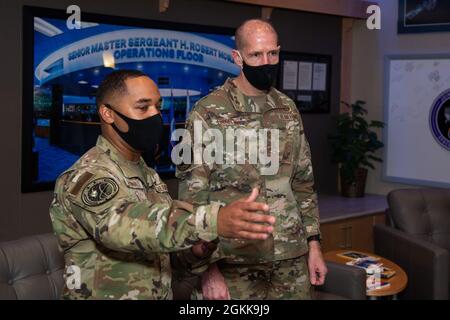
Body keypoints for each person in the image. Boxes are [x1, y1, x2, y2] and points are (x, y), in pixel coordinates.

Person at [49, 69, 276, 300]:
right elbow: (120, 227)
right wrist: (212, 220)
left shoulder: (147, 174)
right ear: (108, 113)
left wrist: (196, 251)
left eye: (158, 106)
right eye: (142, 107)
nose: (155, 115)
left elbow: (159, 250)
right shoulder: (86, 175)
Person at [176, 19, 327, 300]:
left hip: (290, 258)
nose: (266, 62)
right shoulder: (207, 111)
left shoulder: (288, 108)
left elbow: (304, 183)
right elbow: (192, 198)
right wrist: (208, 269)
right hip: (233, 262)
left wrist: (314, 244)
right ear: (238, 57)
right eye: (256, 55)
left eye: (273, 54)